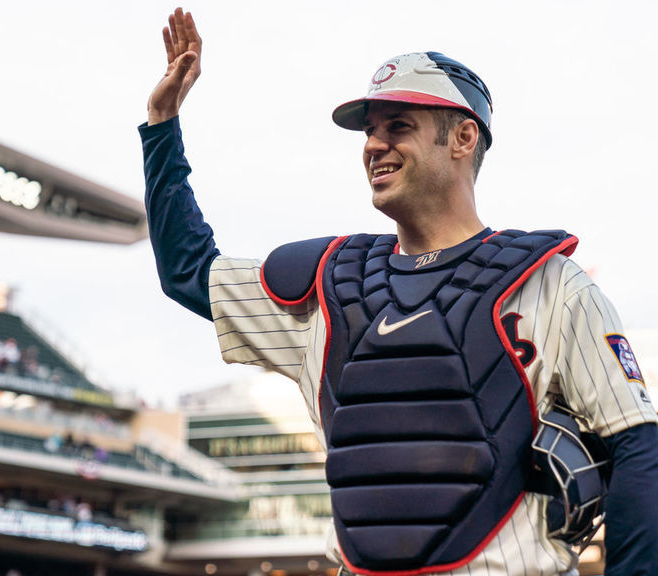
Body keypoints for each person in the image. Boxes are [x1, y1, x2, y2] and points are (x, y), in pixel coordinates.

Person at [139, 8, 658, 576]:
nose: (373, 145)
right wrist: (162, 124)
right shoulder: (328, 287)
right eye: (369, 131)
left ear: (463, 137)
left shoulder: (549, 283)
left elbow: (636, 445)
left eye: (398, 126)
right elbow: (188, 272)